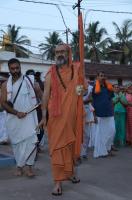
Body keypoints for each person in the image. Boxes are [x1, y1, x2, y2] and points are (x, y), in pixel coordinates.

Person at [38, 44, 83, 195]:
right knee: (57, 148)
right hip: (56, 118)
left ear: (69, 53)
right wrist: (44, 116)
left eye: (62, 51)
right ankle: (57, 182)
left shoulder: (77, 70)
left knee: (70, 146)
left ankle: (69, 173)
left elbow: (81, 91)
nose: (59, 54)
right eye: (57, 52)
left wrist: (81, 90)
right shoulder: (51, 73)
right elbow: (45, 95)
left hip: (72, 117)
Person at [1, 58, 39, 177]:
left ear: (20, 67)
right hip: (13, 119)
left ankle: (29, 168)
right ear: (9, 69)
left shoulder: (30, 80)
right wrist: (16, 113)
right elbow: (3, 103)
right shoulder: (5, 85)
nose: (16, 70)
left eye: (17, 68)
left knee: (31, 141)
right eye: (13, 68)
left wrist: (46, 102)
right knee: (17, 144)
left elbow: (40, 94)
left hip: (29, 117)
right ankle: (19, 166)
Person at [92, 71, 116, 158]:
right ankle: (102, 152)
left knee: (112, 131)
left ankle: (107, 148)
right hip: (99, 114)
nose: (102, 77)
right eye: (101, 76)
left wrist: (113, 111)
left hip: (109, 113)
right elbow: (93, 102)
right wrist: (94, 115)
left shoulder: (108, 88)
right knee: (100, 134)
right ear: (97, 77)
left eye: (103, 75)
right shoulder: (95, 88)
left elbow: (111, 101)